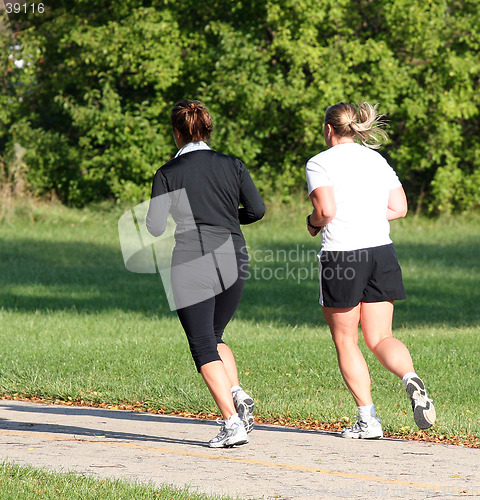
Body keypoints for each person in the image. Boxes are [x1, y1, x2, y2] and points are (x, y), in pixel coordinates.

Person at [305, 102, 436, 439]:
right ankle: (410, 378)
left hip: (342, 258)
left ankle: (368, 420)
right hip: (381, 253)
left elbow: (326, 210)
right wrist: (367, 216)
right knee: (380, 337)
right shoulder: (376, 159)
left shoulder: (319, 162)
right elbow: (400, 207)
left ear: (329, 129)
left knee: (346, 340)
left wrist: (313, 222)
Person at [146, 99, 265, 447]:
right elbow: (256, 210)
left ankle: (231, 423)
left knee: (201, 344)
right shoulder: (233, 165)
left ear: (176, 133)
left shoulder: (168, 173)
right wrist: (227, 219)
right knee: (214, 334)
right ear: (208, 129)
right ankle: (237, 394)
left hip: (191, 258)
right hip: (234, 256)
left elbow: (154, 227)